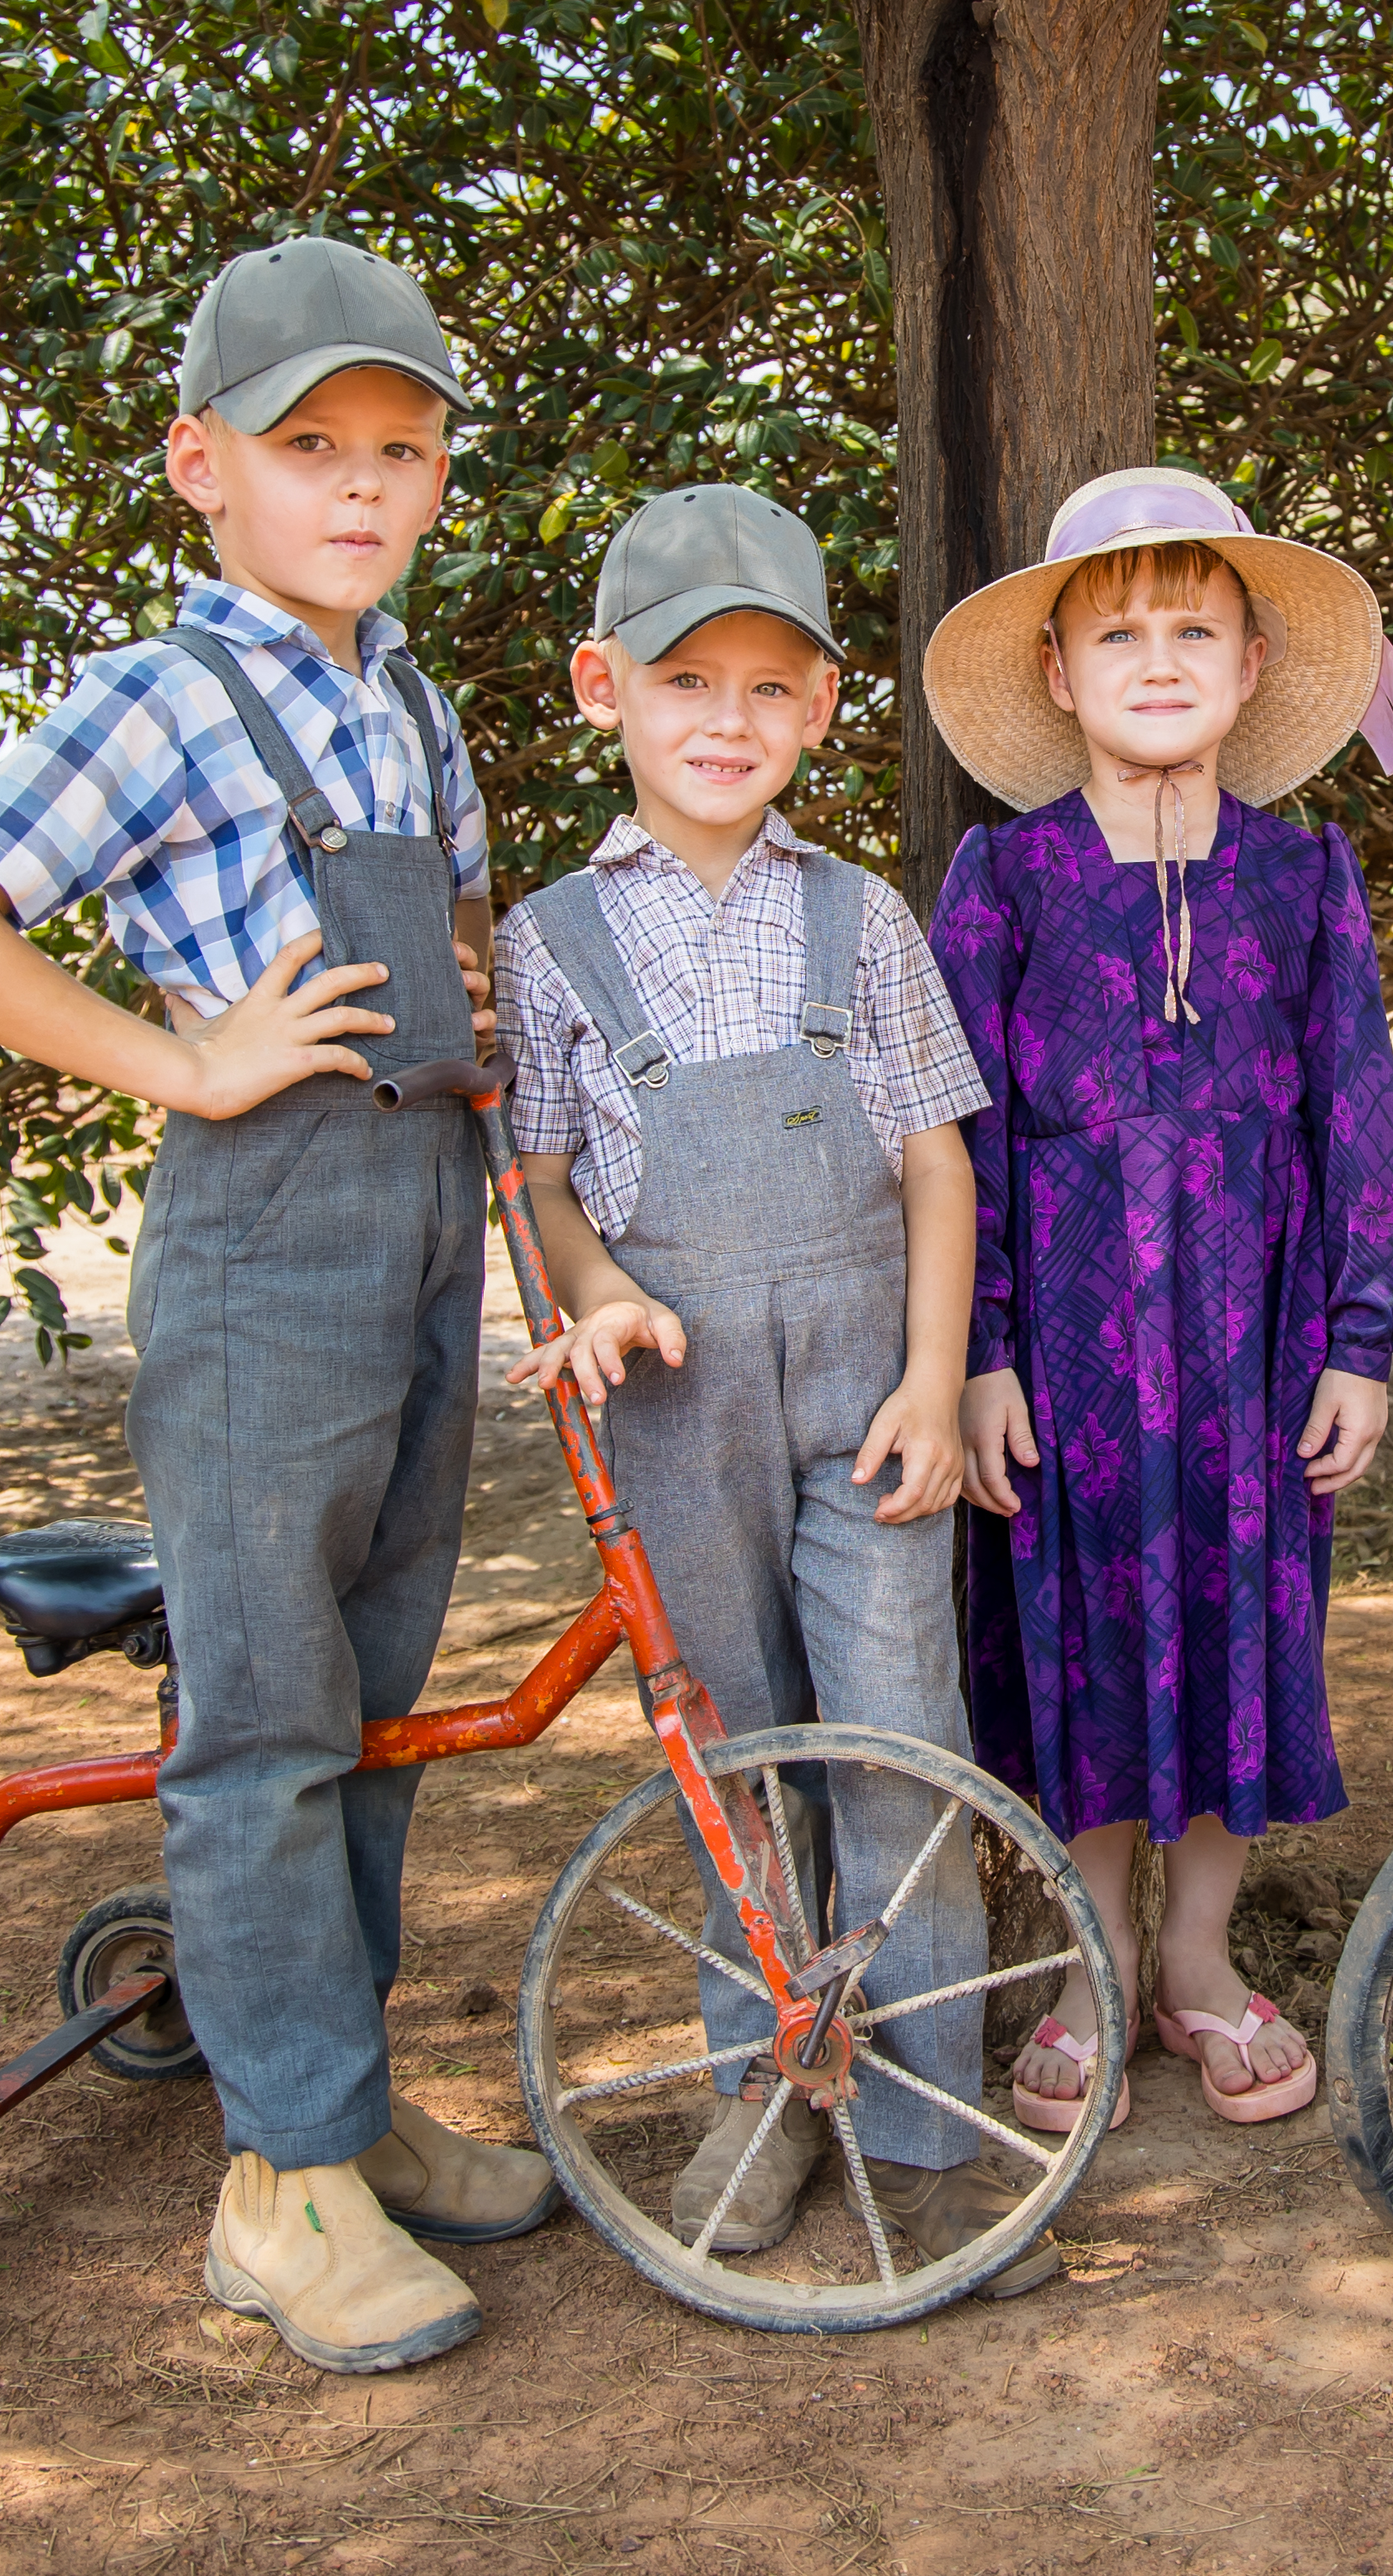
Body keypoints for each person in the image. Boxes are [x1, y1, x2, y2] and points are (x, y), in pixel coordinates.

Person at [0, 238, 556, 2375]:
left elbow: (458, 943)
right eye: (306, 447)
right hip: (265, 1245)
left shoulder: (412, 696)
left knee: (372, 1700)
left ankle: (341, 2110)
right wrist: (184, 1061)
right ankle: (280, 2193)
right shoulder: (160, 696)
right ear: (201, 464)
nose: (358, 487)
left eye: (400, 452)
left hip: (429, 1215)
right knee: (260, 1719)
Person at [493, 484, 1056, 2297]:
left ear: (823, 708)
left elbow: (937, 1165)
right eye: (681, 680)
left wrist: (927, 1374)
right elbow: (545, 1177)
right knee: (727, 1758)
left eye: (768, 686)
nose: (723, 721)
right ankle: (760, 2094)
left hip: (860, 1387)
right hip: (672, 1397)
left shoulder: (861, 917)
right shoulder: (549, 935)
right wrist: (591, 1301)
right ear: (603, 690)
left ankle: (928, 2123)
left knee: (897, 1744)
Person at [920, 466, 1393, 2132]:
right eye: (1116, 629)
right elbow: (957, 1134)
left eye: (1191, 626)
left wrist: (1361, 1339)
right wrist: (977, 1351)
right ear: (1056, 672)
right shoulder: (1003, 877)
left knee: (1237, 1641)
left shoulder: (1306, 872)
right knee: (1079, 1645)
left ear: (1252, 660)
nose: (1155, 656)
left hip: (1256, 1334)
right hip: (1062, 1345)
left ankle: (1197, 1960)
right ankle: (1088, 1962)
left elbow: (1354, 1108)